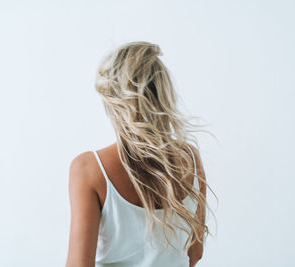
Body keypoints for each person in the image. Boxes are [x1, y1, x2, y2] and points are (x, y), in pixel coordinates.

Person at [66, 41, 213, 267]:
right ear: (164, 95)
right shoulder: (189, 160)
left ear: (113, 102)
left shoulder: (89, 170)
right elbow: (195, 253)